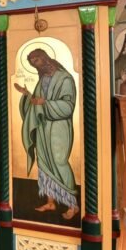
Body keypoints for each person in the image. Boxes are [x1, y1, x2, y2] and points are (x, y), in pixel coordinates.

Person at [15, 49, 79, 220]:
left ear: (44, 58)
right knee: (43, 163)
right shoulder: (42, 79)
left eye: (36, 61)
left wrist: (45, 103)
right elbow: (36, 102)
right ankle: (51, 202)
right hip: (43, 127)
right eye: (32, 63)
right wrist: (27, 95)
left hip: (58, 128)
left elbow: (68, 106)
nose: (35, 65)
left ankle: (73, 205)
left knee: (59, 162)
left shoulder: (65, 78)